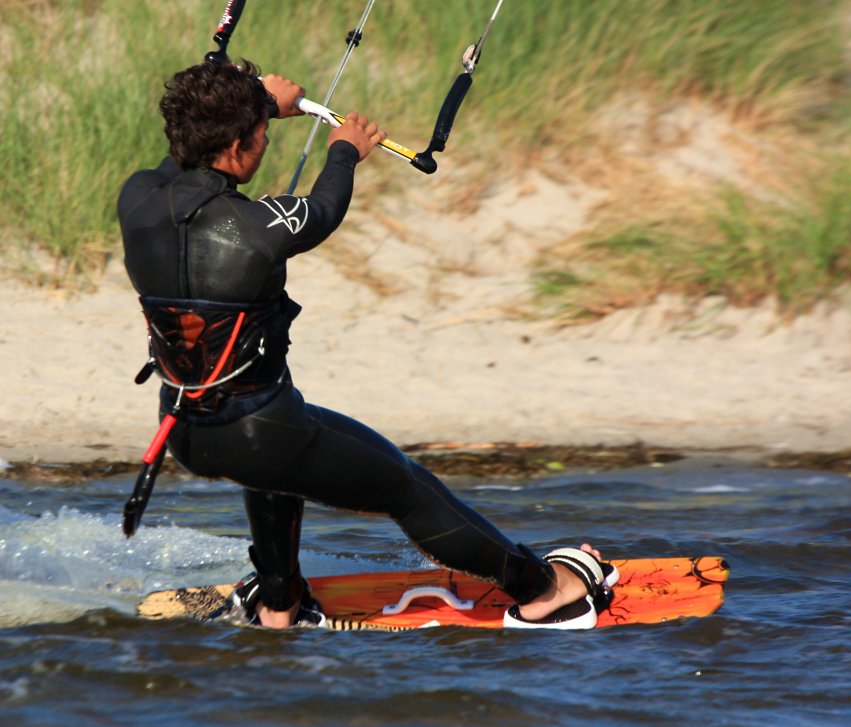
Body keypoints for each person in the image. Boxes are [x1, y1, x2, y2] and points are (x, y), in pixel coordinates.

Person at [117, 60, 617, 630]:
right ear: (236, 148)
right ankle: (545, 588)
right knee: (403, 485)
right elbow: (324, 208)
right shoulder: (257, 229)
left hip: (183, 432)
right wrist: (345, 149)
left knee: (282, 469)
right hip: (260, 433)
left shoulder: (136, 198)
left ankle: (280, 605)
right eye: (261, 137)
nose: (264, 141)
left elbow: (184, 161)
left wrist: (256, 106)